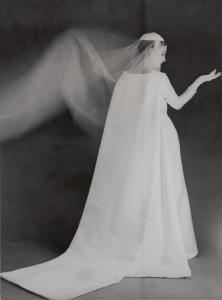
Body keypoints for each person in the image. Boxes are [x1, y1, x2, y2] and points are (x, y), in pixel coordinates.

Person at [1, 30, 221, 300]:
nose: (164, 58)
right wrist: (199, 82)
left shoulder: (125, 80)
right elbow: (177, 104)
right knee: (161, 191)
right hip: (159, 144)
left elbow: (119, 122)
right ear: (151, 51)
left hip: (136, 148)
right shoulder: (159, 79)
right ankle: (158, 247)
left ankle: (133, 244)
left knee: (136, 193)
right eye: (162, 53)